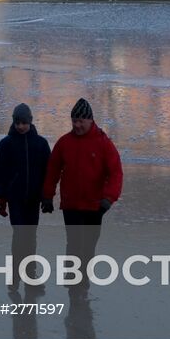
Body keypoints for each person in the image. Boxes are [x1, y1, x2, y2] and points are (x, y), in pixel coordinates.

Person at [41, 98, 123, 293]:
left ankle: (83, 280)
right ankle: (73, 281)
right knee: (74, 243)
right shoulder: (64, 142)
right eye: (74, 121)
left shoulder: (103, 143)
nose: (77, 125)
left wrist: (108, 198)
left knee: (88, 246)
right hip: (71, 205)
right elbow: (52, 170)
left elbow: (116, 173)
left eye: (81, 121)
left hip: (96, 206)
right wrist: (47, 196)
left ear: (90, 120)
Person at [0, 103, 51, 291]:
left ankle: (30, 275)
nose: (20, 126)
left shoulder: (41, 144)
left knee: (30, 237)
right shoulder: (6, 144)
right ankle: (15, 275)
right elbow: (0, 173)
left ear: (30, 122)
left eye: (24, 122)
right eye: (17, 122)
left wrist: (46, 197)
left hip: (33, 199)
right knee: (19, 236)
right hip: (15, 199)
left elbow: (47, 173)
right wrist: (0, 198)